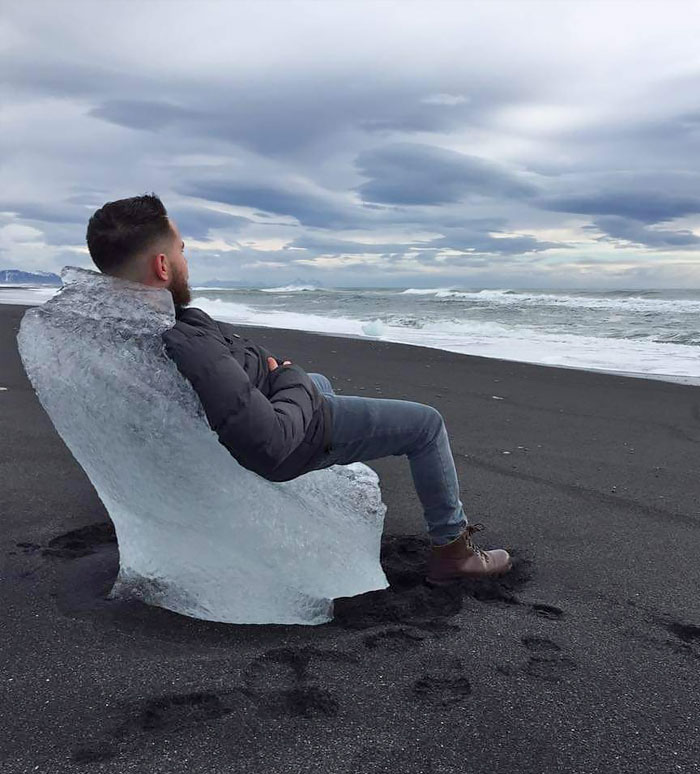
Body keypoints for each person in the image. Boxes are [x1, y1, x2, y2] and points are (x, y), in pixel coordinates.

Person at [86, 194, 512, 584]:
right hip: (288, 436)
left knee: (322, 384)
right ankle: (454, 554)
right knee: (426, 425)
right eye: (181, 250)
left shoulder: (135, 325)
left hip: (259, 402)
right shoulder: (186, 340)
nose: (186, 257)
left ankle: (332, 500)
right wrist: (292, 378)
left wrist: (292, 382)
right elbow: (270, 446)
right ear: (162, 267)